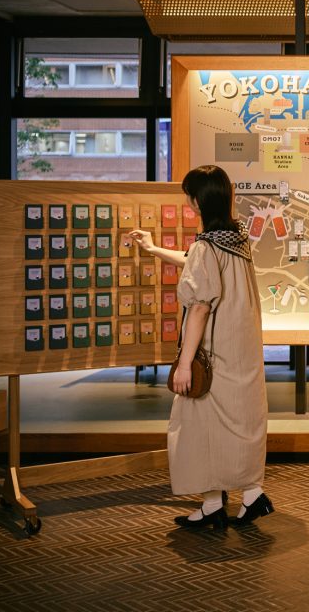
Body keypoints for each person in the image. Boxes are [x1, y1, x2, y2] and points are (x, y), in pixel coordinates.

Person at [130, 165, 272, 530]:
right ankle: (246, 496)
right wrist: (154, 248)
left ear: (196, 202)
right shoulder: (237, 241)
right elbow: (195, 259)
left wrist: (184, 364)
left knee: (197, 428)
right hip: (242, 354)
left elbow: (199, 307)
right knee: (238, 426)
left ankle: (218, 502)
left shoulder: (208, 247)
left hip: (215, 356)